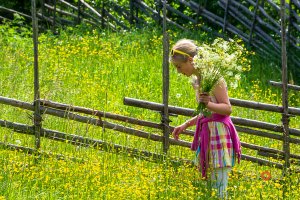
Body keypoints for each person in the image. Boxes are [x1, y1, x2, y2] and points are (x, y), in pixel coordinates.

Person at [170, 39, 241, 199]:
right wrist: (186, 124)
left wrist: (208, 103)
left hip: (219, 136)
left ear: (190, 60)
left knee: (219, 189)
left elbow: (227, 109)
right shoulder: (198, 81)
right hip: (206, 134)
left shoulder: (214, 78)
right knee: (207, 189)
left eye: (179, 67)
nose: (178, 71)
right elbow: (206, 113)